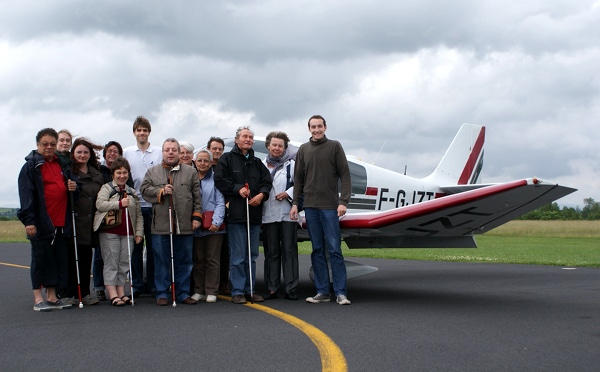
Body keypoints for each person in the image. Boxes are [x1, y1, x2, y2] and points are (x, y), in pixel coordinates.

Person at [290, 115, 352, 305]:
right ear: (309, 129)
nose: (316, 129)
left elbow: (345, 175)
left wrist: (343, 201)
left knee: (334, 249)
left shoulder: (334, 146)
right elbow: (298, 179)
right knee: (317, 249)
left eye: (319, 126)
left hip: (330, 207)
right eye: (313, 127)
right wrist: (295, 203)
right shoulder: (303, 149)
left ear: (325, 127)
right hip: (310, 207)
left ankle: (341, 292)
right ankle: (323, 291)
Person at [18, 128, 76, 311]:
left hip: (60, 222)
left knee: (57, 260)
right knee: (40, 259)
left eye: (52, 143)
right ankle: (37, 298)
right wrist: (29, 221)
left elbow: (70, 187)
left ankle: (52, 296)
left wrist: (74, 186)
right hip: (42, 223)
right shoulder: (31, 167)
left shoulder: (62, 164)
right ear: (38, 145)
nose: (49, 147)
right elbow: (26, 195)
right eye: (45, 144)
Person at [141, 138, 202, 306]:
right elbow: (144, 190)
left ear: (178, 152)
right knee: (161, 261)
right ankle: (161, 292)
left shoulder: (190, 172)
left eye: (174, 150)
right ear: (162, 152)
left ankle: (183, 293)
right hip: (161, 225)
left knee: (184, 261)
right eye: (167, 150)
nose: (170, 153)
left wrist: (197, 216)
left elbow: (197, 196)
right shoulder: (152, 172)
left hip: (184, 226)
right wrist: (160, 191)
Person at [214, 127, 271, 304]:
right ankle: (238, 291)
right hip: (237, 215)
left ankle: (250, 289)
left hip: (253, 216)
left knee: (252, 255)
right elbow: (221, 180)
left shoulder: (257, 162)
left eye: (251, 137)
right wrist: (238, 189)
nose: (248, 139)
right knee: (238, 256)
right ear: (237, 139)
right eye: (245, 136)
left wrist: (262, 195)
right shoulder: (227, 159)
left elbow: (266, 181)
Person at [94, 157, 143, 306]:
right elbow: (100, 204)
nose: (122, 176)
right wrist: (119, 204)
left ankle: (121, 292)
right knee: (111, 263)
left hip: (128, 233)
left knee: (124, 264)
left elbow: (138, 215)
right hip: (110, 232)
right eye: (119, 173)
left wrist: (139, 233)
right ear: (113, 174)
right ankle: (113, 294)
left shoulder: (132, 192)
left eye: (125, 172)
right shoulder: (106, 188)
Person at [123, 116, 162, 298]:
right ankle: (137, 284)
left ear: (149, 132)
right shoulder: (127, 152)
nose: (142, 133)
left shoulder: (158, 152)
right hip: (135, 206)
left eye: (145, 130)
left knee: (154, 248)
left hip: (154, 205)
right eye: (139, 130)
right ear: (134, 133)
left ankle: (154, 285)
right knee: (136, 248)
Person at [63, 137, 104, 306]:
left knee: (86, 259)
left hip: (91, 223)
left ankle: (85, 293)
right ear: (73, 154)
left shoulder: (97, 174)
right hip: (73, 222)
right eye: (79, 152)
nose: (82, 155)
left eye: (85, 152)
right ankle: (68, 293)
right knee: (71, 260)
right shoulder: (67, 172)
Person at [261, 131, 299, 300]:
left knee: (289, 251)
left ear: (285, 148)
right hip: (268, 215)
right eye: (274, 145)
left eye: (280, 146)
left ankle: (291, 288)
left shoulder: (292, 165)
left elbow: (301, 185)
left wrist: (288, 193)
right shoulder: (261, 165)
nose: (277, 148)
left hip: (287, 214)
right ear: (268, 146)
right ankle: (272, 287)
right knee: (271, 252)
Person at [191, 149, 226, 303]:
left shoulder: (216, 179)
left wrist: (216, 222)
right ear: (195, 162)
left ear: (211, 162)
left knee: (213, 259)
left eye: (206, 160)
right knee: (199, 259)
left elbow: (220, 202)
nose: (203, 163)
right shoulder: (191, 178)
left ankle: (212, 290)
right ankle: (199, 290)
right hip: (195, 224)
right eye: (200, 160)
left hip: (213, 225)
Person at [207, 137, 231, 295]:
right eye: (214, 148)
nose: (216, 151)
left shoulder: (226, 167)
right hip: (206, 214)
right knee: (205, 253)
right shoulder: (202, 167)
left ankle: (223, 283)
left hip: (226, 213)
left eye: (220, 149)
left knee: (224, 251)